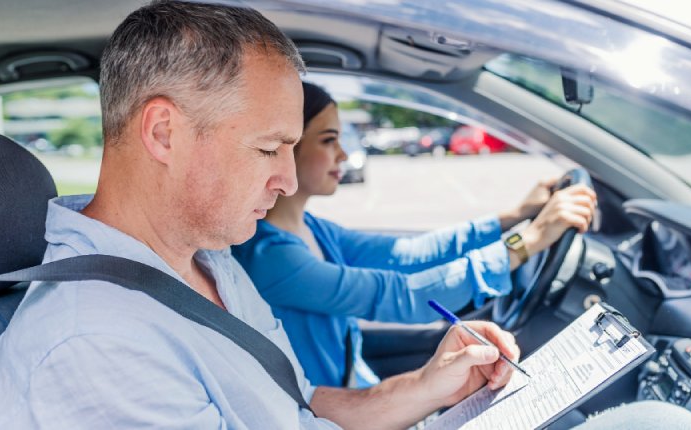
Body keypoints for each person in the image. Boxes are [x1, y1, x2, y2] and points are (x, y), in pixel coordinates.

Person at [0, 2, 691, 429]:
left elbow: (296, 405)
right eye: (269, 148)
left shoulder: (204, 261)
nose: (289, 177)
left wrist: (420, 390)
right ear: (163, 133)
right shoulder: (92, 347)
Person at [232, 81, 597, 388]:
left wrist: (515, 217)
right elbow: (402, 297)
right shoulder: (271, 255)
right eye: (329, 141)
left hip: (355, 384)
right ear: (287, 146)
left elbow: (409, 252)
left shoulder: (313, 228)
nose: (344, 154)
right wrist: (527, 242)